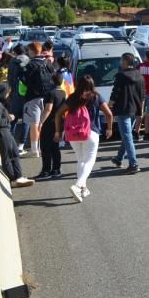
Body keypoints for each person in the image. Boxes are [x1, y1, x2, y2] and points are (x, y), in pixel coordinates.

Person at [54, 75, 113, 203]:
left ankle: (83, 189)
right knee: (89, 161)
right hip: (91, 133)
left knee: (81, 160)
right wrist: (109, 128)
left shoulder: (72, 97)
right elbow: (109, 113)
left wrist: (58, 131)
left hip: (74, 135)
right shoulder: (95, 96)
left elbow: (58, 113)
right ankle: (78, 185)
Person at [107, 53, 144, 174]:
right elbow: (143, 94)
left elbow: (115, 93)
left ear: (125, 62)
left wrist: (109, 106)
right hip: (135, 109)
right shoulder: (139, 75)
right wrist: (141, 110)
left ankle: (133, 163)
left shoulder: (121, 75)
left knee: (127, 136)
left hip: (123, 109)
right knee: (126, 135)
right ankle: (119, 158)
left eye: (121, 60)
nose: (120, 62)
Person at [22, 42, 54, 158]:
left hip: (33, 97)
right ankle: (44, 146)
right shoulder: (47, 63)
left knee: (34, 124)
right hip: (48, 97)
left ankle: (34, 149)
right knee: (44, 123)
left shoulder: (30, 65)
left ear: (31, 51)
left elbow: (24, 81)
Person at [36, 71, 67, 179]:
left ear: (52, 81)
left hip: (50, 122)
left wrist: (41, 122)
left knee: (45, 147)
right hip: (60, 122)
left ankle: (46, 171)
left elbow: (48, 109)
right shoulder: (63, 92)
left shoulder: (50, 93)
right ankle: (56, 169)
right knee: (55, 147)